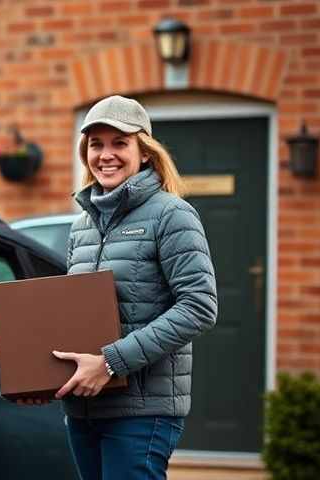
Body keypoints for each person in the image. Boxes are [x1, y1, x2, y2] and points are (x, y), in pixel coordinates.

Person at [53, 95, 218, 480]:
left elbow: (199, 306)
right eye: (96, 144)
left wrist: (111, 362)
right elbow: (72, 315)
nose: (105, 154)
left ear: (144, 152)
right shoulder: (82, 225)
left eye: (119, 143)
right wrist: (42, 378)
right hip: (84, 408)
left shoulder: (171, 214)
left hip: (142, 411)